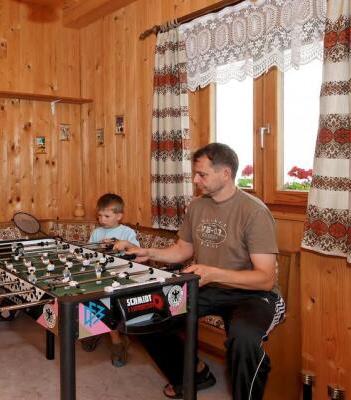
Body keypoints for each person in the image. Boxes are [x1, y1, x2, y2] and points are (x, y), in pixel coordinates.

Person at [115, 143, 285, 399]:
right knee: (143, 315)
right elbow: (183, 249)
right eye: (195, 174)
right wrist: (148, 252)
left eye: (202, 175)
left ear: (225, 174)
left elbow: (264, 278)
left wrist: (214, 273)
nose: (195, 180)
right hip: (207, 286)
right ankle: (194, 374)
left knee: (244, 340)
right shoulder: (197, 206)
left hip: (253, 295)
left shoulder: (254, 211)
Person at [82, 193, 139, 367]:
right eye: (99, 216)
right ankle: (94, 329)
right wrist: (97, 249)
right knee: (85, 296)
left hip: (120, 277)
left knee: (107, 303)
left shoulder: (127, 232)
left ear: (119, 216)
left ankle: (117, 343)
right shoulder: (97, 232)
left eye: (106, 216)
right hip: (100, 275)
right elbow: (88, 253)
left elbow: (138, 252)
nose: (102, 219)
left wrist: (121, 243)